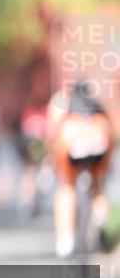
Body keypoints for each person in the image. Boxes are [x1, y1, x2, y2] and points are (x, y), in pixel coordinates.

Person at [46, 80, 116, 258]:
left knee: (66, 187)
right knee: (98, 186)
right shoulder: (97, 105)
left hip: (71, 145)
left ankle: (66, 238)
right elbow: (112, 133)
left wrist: (50, 160)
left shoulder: (62, 104)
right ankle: (100, 216)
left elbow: (52, 132)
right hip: (100, 144)